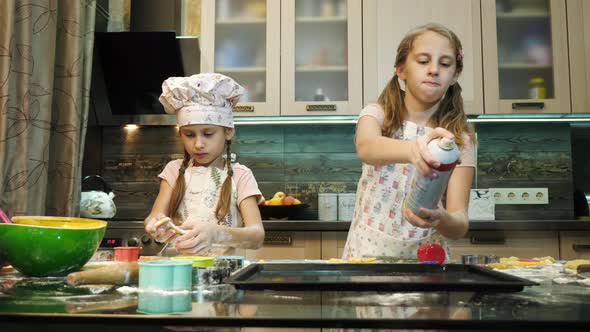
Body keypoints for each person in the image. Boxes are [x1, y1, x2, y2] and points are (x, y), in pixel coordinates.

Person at [342, 23, 476, 261]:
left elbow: (459, 224)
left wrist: (442, 219)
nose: (434, 70)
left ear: (454, 75)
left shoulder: (458, 139)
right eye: (423, 61)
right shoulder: (377, 115)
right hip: (367, 257)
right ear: (401, 70)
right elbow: (366, 147)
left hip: (428, 263)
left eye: (444, 64)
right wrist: (414, 149)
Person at [144, 73, 264, 256]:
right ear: (180, 134)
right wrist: (154, 225)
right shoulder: (173, 171)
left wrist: (217, 233)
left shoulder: (241, 175)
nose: (198, 144)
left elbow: (256, 236)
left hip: (222, 273)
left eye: (208, 134)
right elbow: (154, 216)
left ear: (228, 132)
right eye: (189, 135)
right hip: (177, 270)